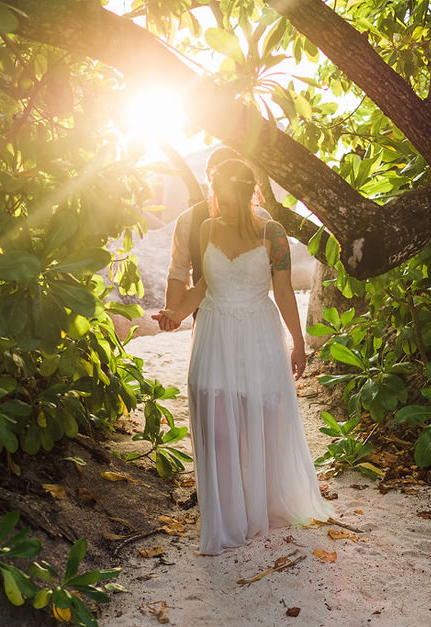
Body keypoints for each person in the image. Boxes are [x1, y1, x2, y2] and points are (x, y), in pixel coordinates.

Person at [153, 159, 333, 555]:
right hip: (214, 335)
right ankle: (225, 519)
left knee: (261, 423)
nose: (224, 206)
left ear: (250, 194)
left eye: (232, 199)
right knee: (216, 426)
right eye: (219, 197)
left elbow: (284, 292)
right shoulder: (205, 229)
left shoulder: (274, 233)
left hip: (258, 336)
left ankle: (261, 509)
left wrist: (298, 344)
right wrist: (175, 314)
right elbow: (204, 285)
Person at [159, 146, 268, 331]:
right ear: (210, 178)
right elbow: (179, 272)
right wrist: (172, 314)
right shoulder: (188, 220)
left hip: (255, 319)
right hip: (207, 320)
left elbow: (278, 278)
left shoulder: (263, 219)